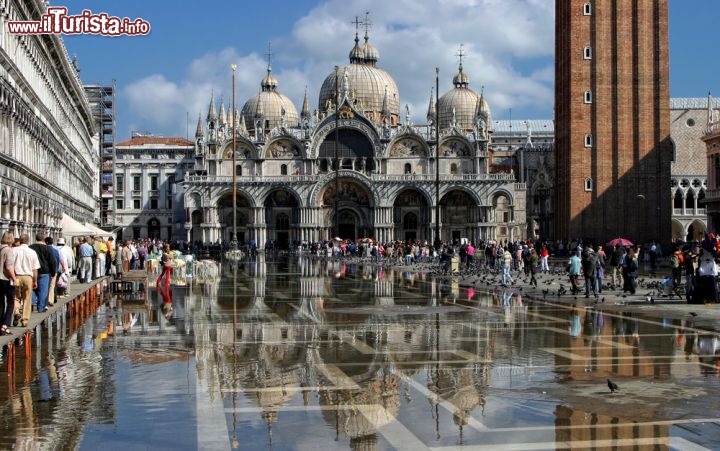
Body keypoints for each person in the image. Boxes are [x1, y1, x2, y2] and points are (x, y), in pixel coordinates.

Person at [12, 234, 40, 328]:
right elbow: (35, 269)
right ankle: (24, 320)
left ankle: (16, 312)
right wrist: (35, 281)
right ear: (28, 241)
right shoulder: (32, 252)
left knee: (16, 297)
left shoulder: (14, 250)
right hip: (28, 277)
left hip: (16, 276)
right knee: (27, 298)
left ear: (20, 240)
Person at [29, 232, 56, 313]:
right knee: (43, 291)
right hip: (44, 272)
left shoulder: (30, 247)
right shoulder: (48, 248)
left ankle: (30, 304)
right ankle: (40, 307)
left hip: (32, 271)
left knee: (32, 289)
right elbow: (52, 261)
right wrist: (53, 272)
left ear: (35, 239)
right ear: (44, 239)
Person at [0, 231, 18, 335]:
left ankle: (1, 324)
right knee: (11, 302)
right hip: (6, 279)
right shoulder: (8, 250)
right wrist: (14, 279)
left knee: (1, 303)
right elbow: (9, 266)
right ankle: (5, 325)